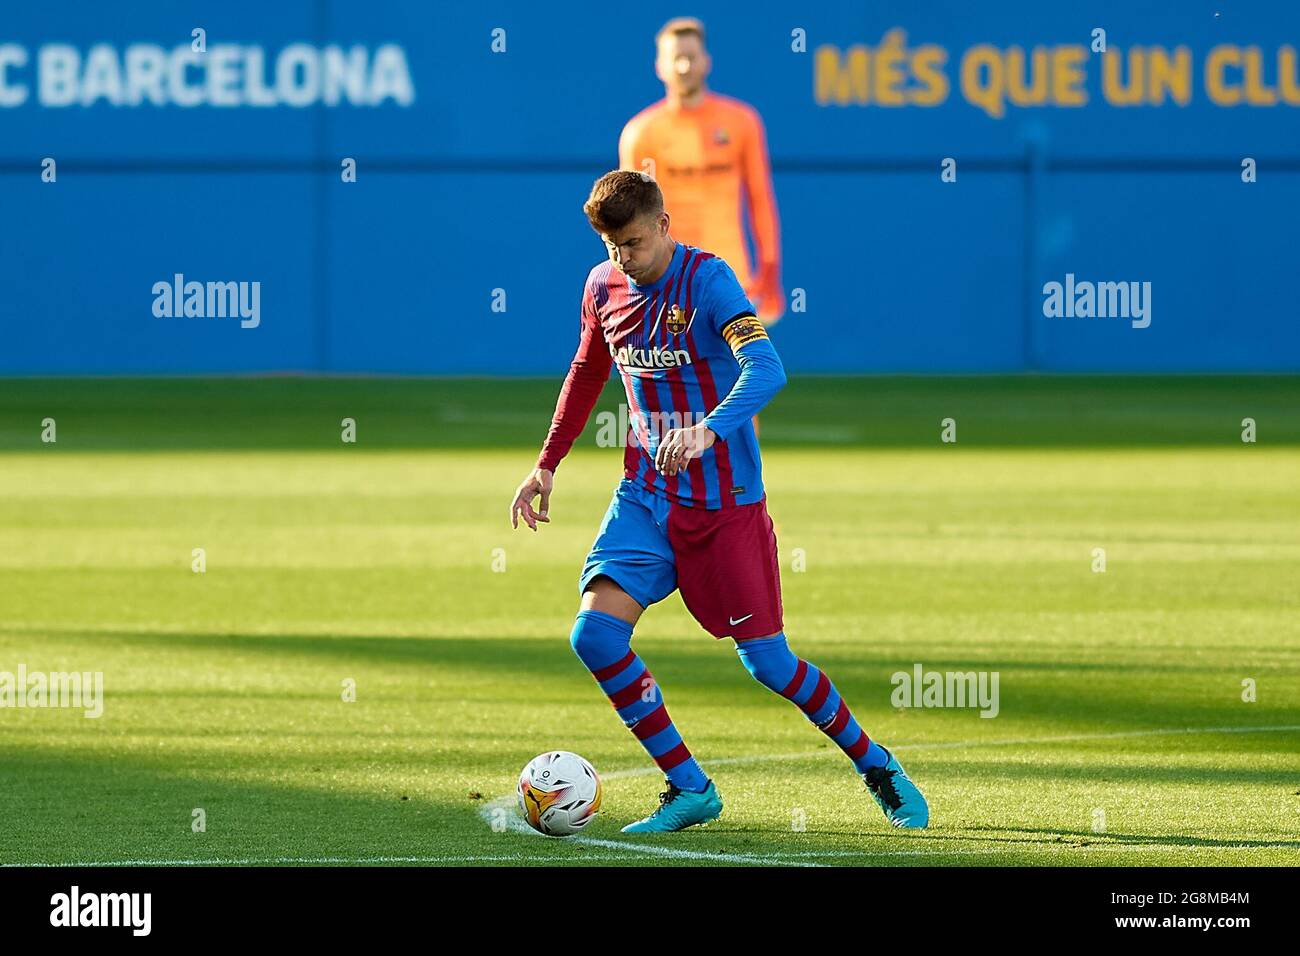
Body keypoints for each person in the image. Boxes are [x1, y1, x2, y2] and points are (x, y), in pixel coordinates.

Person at [509, 170, 927, 833]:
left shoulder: (707, 282)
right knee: (594, 634)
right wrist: (546, 463)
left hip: (726, 503)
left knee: (770, 664)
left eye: (637, 242)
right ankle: (689, 787)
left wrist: (708, 428)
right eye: (614, 245)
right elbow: (588, 371)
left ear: (664, 226)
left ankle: (875, 763)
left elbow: (768, 369)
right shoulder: (602, 288)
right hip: (646, 497)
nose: (626, 258)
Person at [619, 15, 783, 435]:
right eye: (676, 59)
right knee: (669, 386)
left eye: (691, 57)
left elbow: (761, 200)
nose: (684, 67)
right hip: (668, 275)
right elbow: (626, 219)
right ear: (659, 65)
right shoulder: (642, 133)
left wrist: (770, 270)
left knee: (744, 379)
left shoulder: (741, 122)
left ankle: (743, 491)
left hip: (730, 273)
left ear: (706, 61)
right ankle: (674, 487)